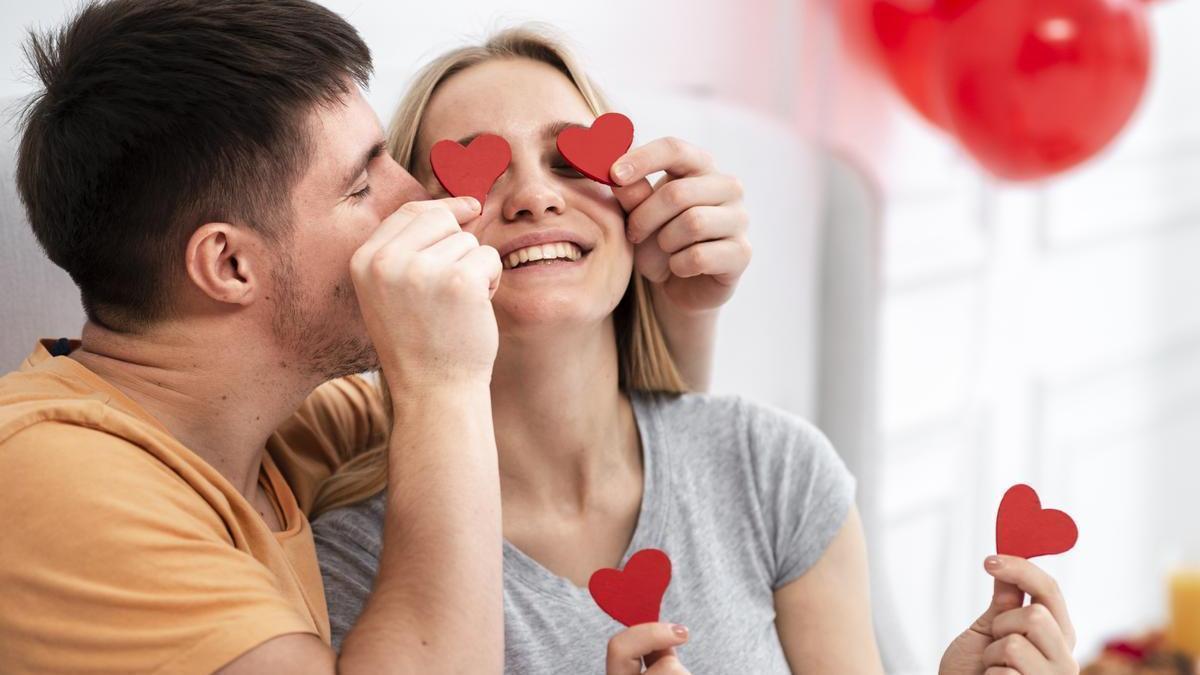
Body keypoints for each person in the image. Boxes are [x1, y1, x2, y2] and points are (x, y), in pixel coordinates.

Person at [312, 28, 1082, 675]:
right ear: (411, 247)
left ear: (639, 206)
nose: (534, 196)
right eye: (475, 167)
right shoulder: (353, 558)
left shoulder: (772, 468)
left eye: (570, 160)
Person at [0, 2, 724, 673]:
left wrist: (685, 304)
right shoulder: (52, 477)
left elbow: (572, 430)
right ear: (229, 264)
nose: (416, 196)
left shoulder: (279, 429)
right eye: (360, 183)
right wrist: (442, 381)